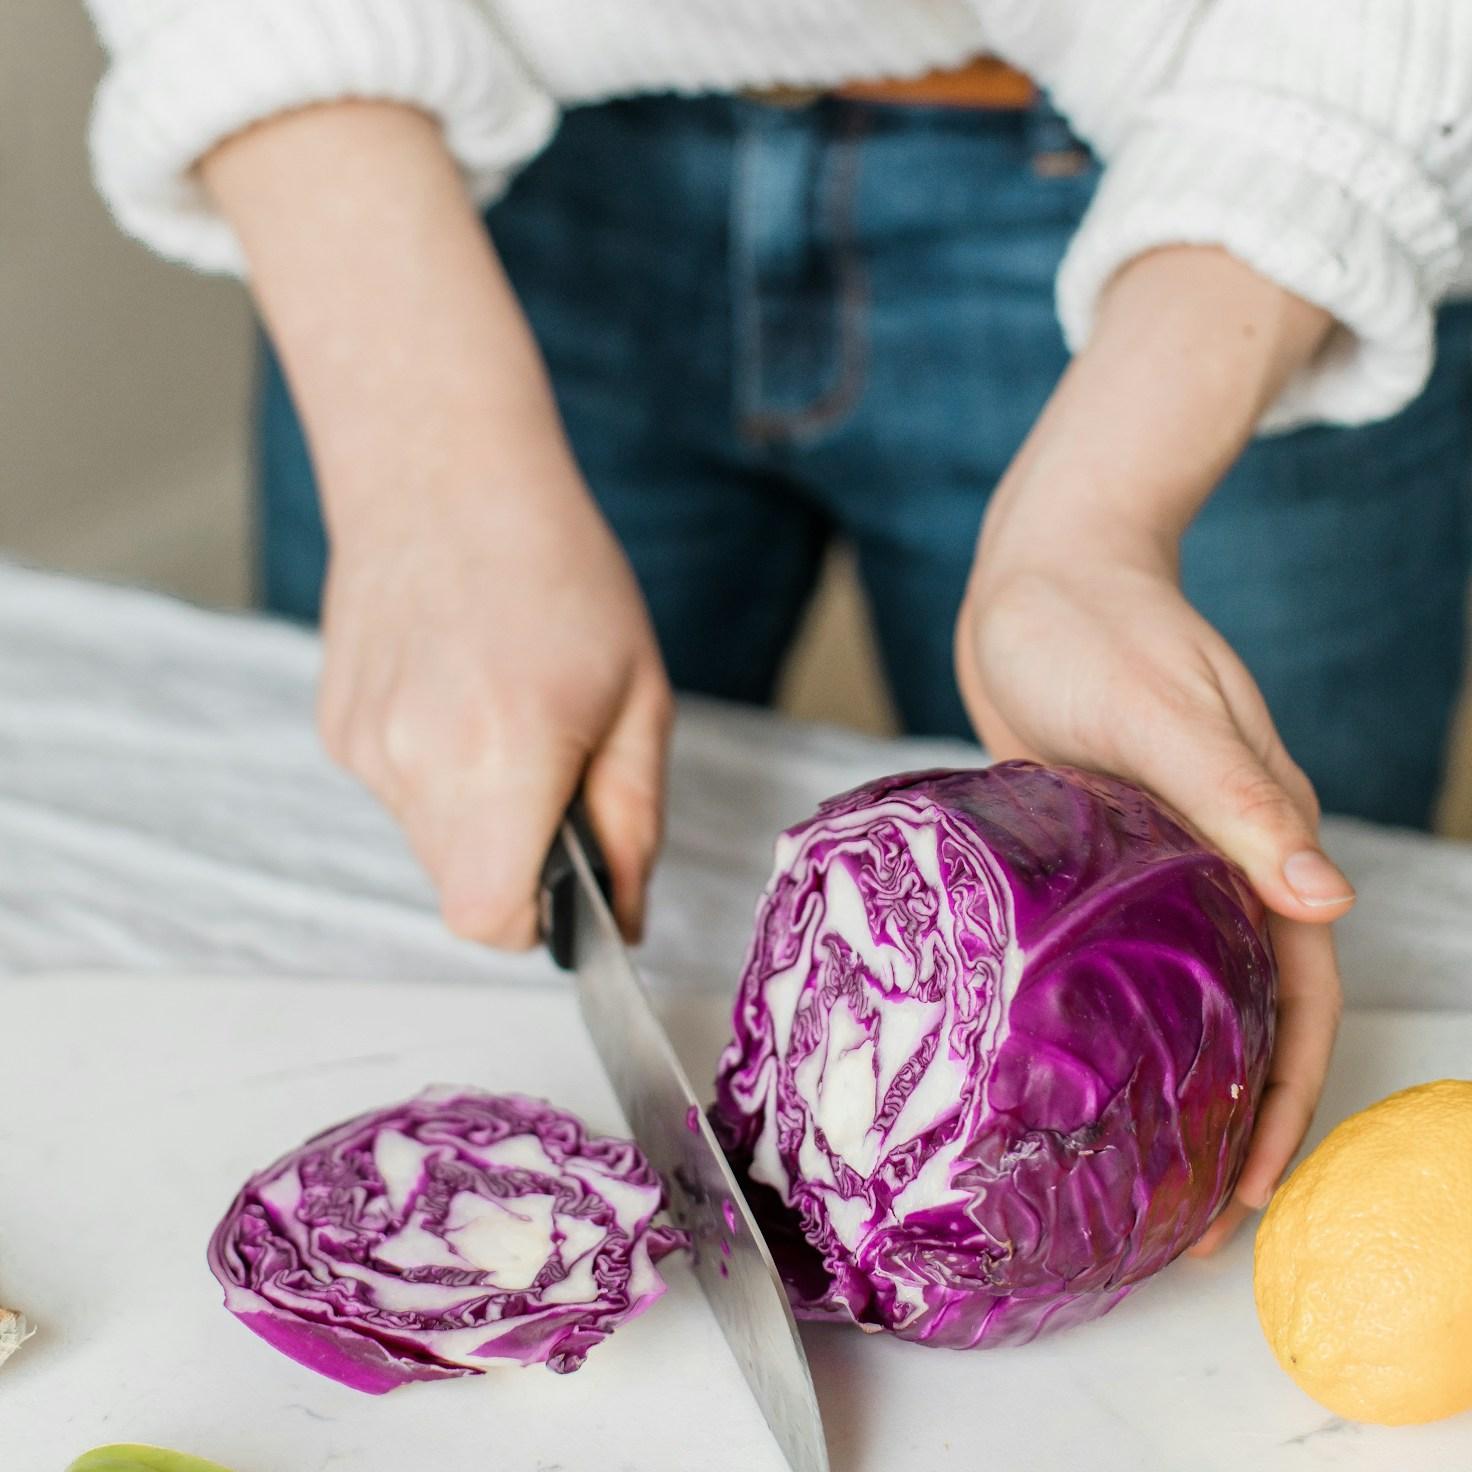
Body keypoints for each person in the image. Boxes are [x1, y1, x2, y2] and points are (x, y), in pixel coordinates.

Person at [82, 2, 1472, 1252]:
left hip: (1222, 182)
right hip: (431, 172)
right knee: (426, 920)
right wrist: (421, 459)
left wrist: (1093, 530)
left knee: (1256, 1007)